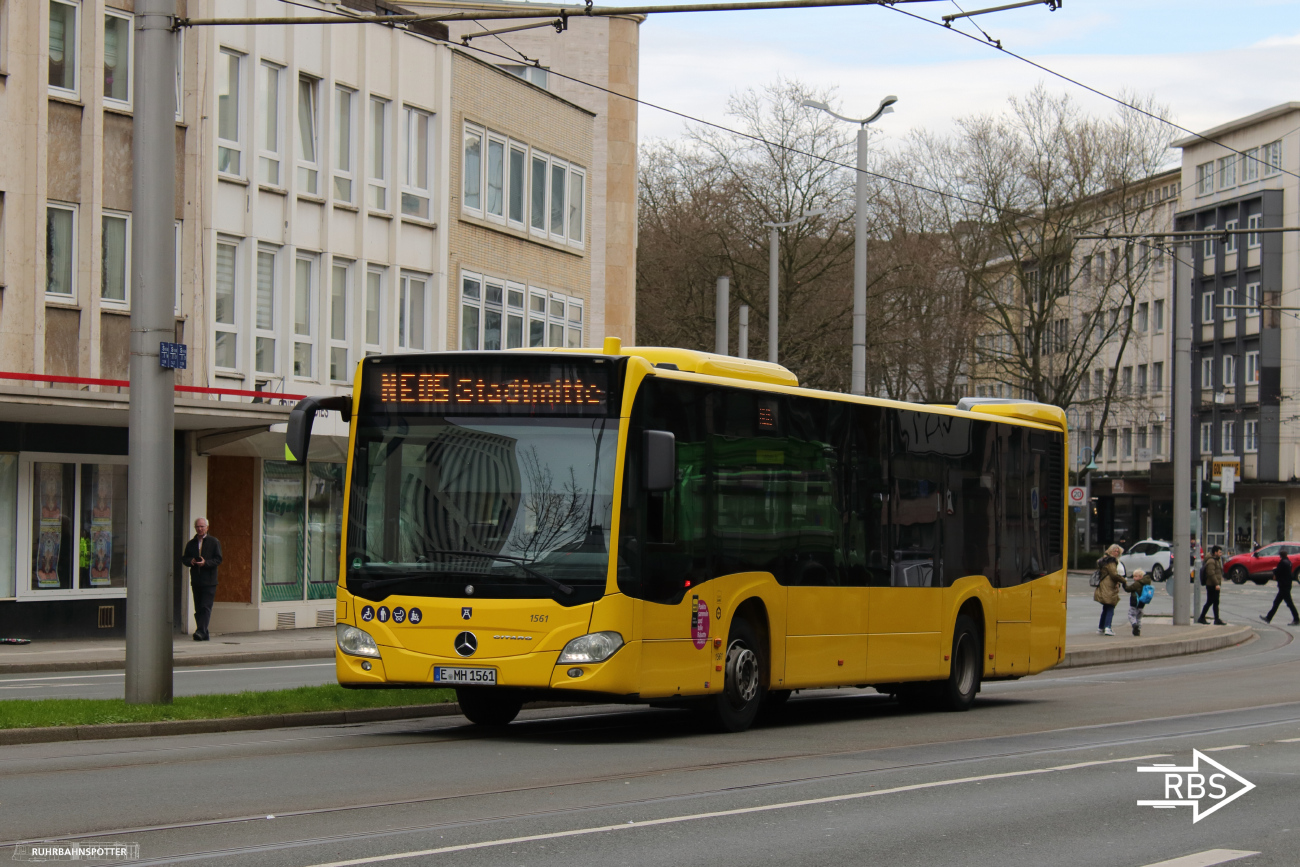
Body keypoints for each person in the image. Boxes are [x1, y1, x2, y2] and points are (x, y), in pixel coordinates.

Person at [181, 517, 223, 641]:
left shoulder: (214, 542)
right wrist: (191, 561)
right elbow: (184, 558)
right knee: (198, 608)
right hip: (196, 580)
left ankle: (200, 631)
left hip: (209, 581)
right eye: (198, 527)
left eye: (202, 527)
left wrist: (206, 563)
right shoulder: (191, 543)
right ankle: (204, 632)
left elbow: (218, 559)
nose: (200, 529)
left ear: (207, 528)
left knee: (205, 606)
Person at [1260, 546, 1300, 626]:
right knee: (1277, 602)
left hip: (1283, 586)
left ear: (1280, 555)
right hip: (1286, 585)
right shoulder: (1288, 562)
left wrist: (1274, 570)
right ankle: (1268, 617)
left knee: (1289, 603)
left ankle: (1296, 619)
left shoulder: (1282, 563)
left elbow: (1278, 571)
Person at [1094, 544, 1125, 636]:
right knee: (1111, 606)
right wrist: (1124, 581)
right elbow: (1114, 575)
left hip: (1103, 585)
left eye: (1117, 551)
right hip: (1109, 586)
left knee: (1106, 607)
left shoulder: (1104, 560)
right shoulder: (1111, 561)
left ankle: (1101, 627)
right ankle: (1108, 627)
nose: (1116, 553)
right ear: (1110, 551)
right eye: (1114, 551)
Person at [1197, 545, 1226, 625]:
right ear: (1215, 552)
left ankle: (1216, 619)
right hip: (1211, 585)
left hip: (1214, 585)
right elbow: (1211, 573)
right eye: (1219, 552)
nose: (1221, 554)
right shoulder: (1211, 561)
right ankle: (1202, 617)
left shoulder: (1216, 560)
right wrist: (1216, 584)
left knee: (1215, 602)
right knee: (1210, 602)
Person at [1124, 568, 1152, 636]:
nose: (1134, 578)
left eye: (1136, 576)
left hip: (1134, 602)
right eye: (1134, 576)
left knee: (1131, 614)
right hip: (1142, 603)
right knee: (1138, 618)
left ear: (1140, 577)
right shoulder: (1146, 583)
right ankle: (1138, 630)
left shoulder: (1137, 584)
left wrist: (1124, 584)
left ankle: (1134, 624)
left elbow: (1128, 589)